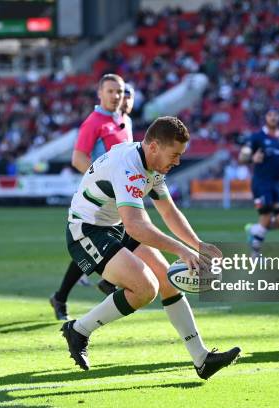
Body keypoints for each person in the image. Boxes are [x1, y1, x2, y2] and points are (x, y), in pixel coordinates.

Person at [60, 116, 241, 379]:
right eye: (175, 155)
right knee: (145, 288)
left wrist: (197, 244)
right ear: (154, 146)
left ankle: (202, 358)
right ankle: (78, 330)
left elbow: (169, 211)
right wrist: (182, 250)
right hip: (86, 230)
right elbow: (136, 226)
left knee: (167, 281)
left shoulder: (152, 165)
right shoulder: (129, 166)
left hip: (114, 226)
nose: (177, 161)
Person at [49, 75, 135, 321]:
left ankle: (79, 290)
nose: (116, 96)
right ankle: (104, 282)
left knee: (98, 246)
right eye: (110, 91)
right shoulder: (94, 121)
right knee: (104, 241)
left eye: (119, 91)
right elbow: (78, 158)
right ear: (100, 93)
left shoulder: (123, 120)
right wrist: (105, 183)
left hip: (118, 196)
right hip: (98, 199)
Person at [239, 109, 279, 255]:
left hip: (278, 184)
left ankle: (254, 229)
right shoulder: (257, 137)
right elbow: (243, 156)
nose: (273, 117)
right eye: (270, 115)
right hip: (261, 183)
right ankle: (255, 254)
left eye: (276, 115)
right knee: (266, 216)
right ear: (266, 117)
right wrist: (252, 158)